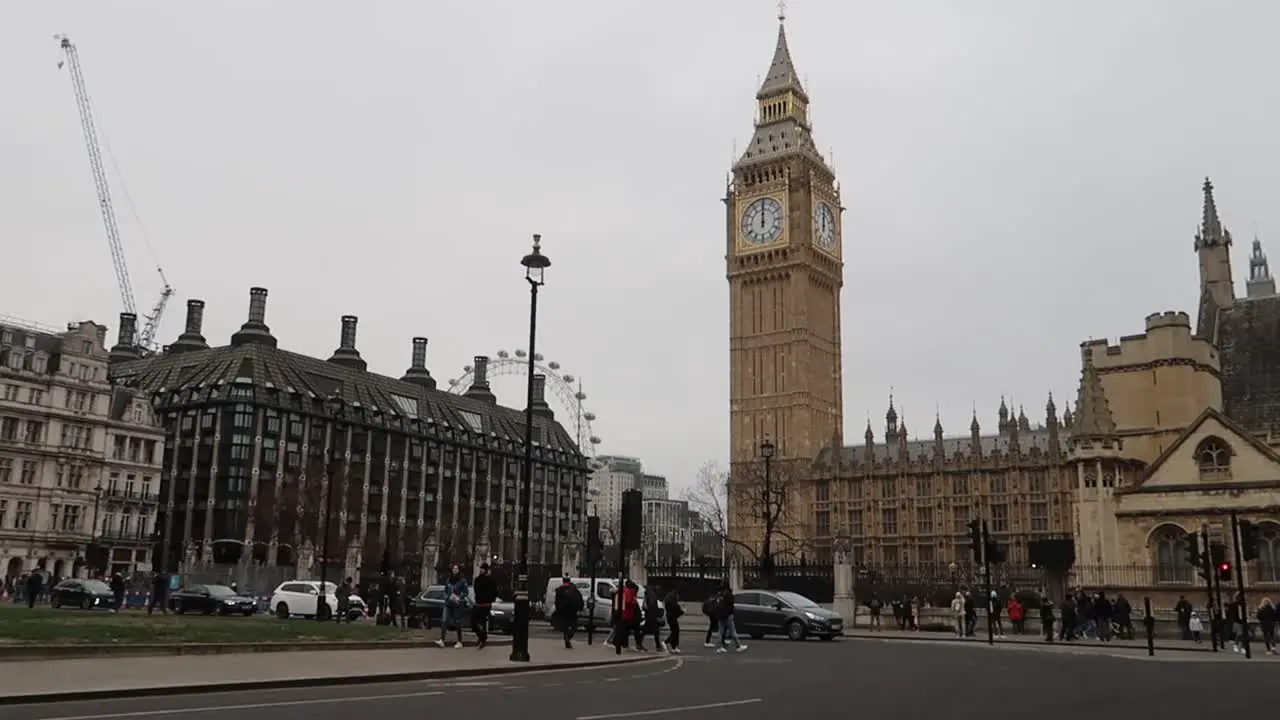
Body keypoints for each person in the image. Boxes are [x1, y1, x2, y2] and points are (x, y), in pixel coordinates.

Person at [435, 564, 469, 648]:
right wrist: (446, 597)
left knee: (457, 622)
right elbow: (445, 590)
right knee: (444, 620)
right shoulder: (449, 580)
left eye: (456, 568)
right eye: (454, 568)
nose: (455, 570)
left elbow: (466, 592)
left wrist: (459, 597)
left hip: (457, 603)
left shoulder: (462, 581)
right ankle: (442, 640)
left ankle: (459, 641)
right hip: (448, 603)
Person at [553, 576, 584, 648]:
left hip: (563, 611)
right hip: (572, 611)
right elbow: (579, 598)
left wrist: (558, 610)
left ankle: (566, 638)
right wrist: (580, 608)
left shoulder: (559, 589)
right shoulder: (573, 589)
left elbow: (557, 601)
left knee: (565, 626)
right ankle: (569, 637)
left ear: (563, 581)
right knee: (574, 626)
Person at [715, 583, 746, 653]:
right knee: (732, 631)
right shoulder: (729, 595)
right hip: (728, 615)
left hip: (720, 616)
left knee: (720, 631)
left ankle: (720, 647)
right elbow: (731, 605)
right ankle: (738, 646)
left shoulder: (721, 595)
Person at [472, 563, 497, 649]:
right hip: (478, 603)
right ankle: (481, 637)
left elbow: (494, 592)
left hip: (486, 604)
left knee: (482, 622)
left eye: (483, 569)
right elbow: (475, 590)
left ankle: (482, 640)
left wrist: (490, 600)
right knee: (474, 623)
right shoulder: (477, 580)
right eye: (481, 569)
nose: (481, 570)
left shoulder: (490, 581)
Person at [641, 584, 664, 651]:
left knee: (646, 630)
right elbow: (652, 606)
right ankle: (658, 646)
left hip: (649, 615)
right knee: (655, 631)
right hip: (651, 615)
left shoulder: (649, 593)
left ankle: (658, 646)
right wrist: (657, 613)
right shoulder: (652, 595)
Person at [663, 588, 683, 653]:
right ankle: (665, 642)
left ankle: (674, 647)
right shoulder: (674, 604)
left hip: (670, 618)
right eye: (678, 596)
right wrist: (682, 611)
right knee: (675, 631)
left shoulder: (668, 602)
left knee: (675, 631)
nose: (678, 597)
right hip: (672, 618)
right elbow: (677, 612)